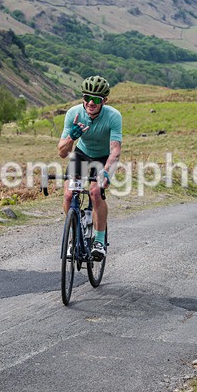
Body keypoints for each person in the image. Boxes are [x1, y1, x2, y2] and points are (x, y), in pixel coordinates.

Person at [58, 76, 122, 260]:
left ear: (104, 101)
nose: (90, 103)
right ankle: (74, 237)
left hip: (103, 157)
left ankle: (99, 240)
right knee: (69, 194)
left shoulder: (113, 116)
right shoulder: (73, 113)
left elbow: (115, 149)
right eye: (87, 97)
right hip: (82, 153)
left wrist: (107, 171)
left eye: (96, 99)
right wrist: (71, 137)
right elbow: (62, 153)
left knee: (95, 192)